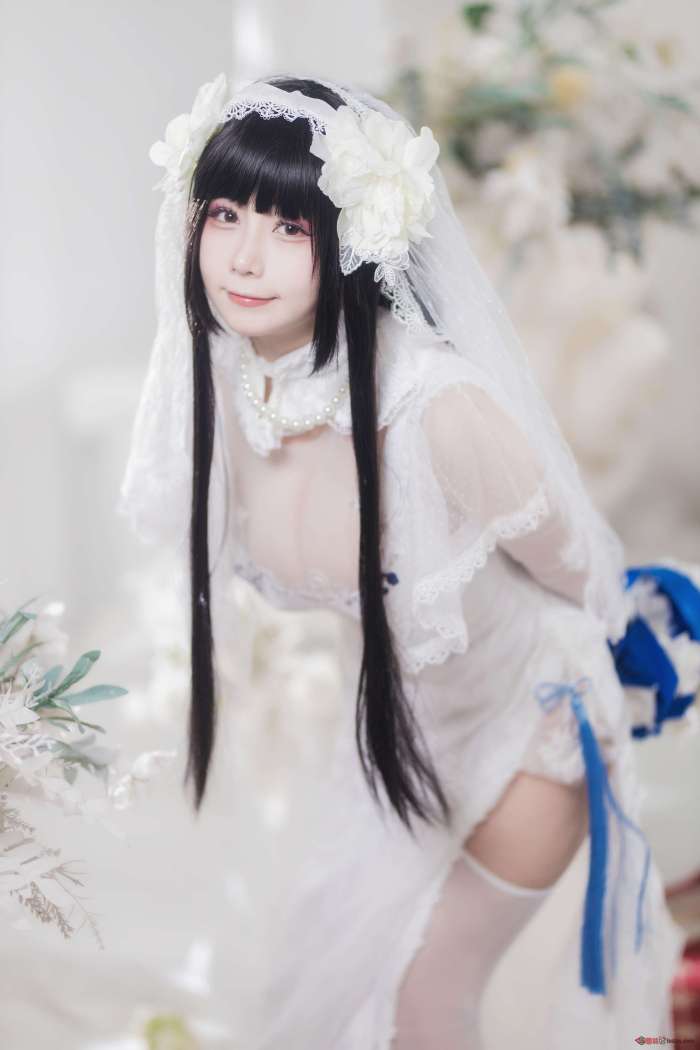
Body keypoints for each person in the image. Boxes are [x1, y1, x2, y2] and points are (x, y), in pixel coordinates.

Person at [117, 71, 685, 1049]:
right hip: (394, 735)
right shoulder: (228, 392)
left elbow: (577, 567)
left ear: (355, 237)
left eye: (289, 226)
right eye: (225, 215)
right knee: (316, 985)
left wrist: (632, 644)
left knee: (426, 999)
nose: (245, 256)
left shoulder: (436, 408)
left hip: (530, 729)